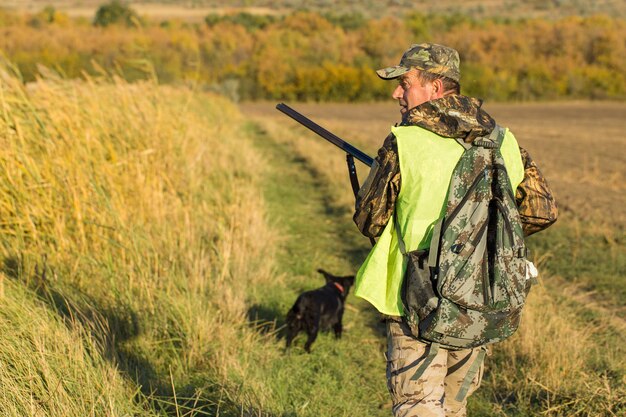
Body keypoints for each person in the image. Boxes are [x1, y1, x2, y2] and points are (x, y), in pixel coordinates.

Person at [352, 43, 558, 417]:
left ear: (435, 86)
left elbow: (371, 221)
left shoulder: (404, 140)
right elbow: (541, 211)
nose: (396, 92)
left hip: (415, 299)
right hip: (481, 298)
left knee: (419, 405)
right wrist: (482, 244)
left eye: (406, 82)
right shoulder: (503, 140)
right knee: (454, 407)